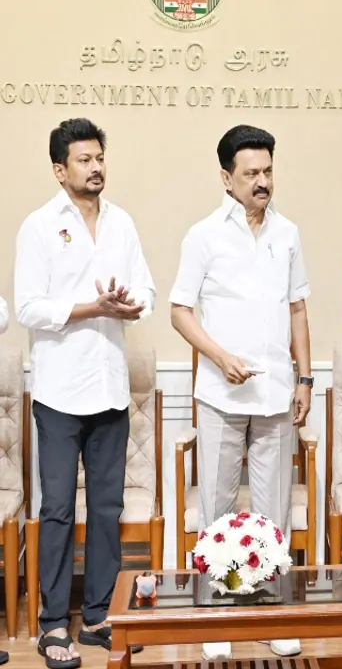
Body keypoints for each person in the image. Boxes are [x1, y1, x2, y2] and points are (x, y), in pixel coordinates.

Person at [169, 125, 311, 661]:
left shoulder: (288, 233)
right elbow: (180, 311)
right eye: (251, 173)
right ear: (226, 178)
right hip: (221, 398)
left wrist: (304, 378)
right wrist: (220, 356)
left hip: (276, 396)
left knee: (272, 513)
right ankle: (216, 617)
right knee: (220, 512)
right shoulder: (203, 235)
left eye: (268, 171)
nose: (262, 181)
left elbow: (298, 307)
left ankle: (271, 613)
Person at [16, 118, 153, 669]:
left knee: (107, 508)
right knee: (55, 510)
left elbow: (144, 287)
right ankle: (53, 624)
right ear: (59, 169)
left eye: (100, 157)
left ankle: (96, 616)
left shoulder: (121, 223)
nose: (96, 167)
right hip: (58, 391)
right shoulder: (39, 226)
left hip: (110, 388)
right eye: (84, 159)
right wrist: (91, 307)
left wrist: (127, 302)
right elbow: (28, 306)